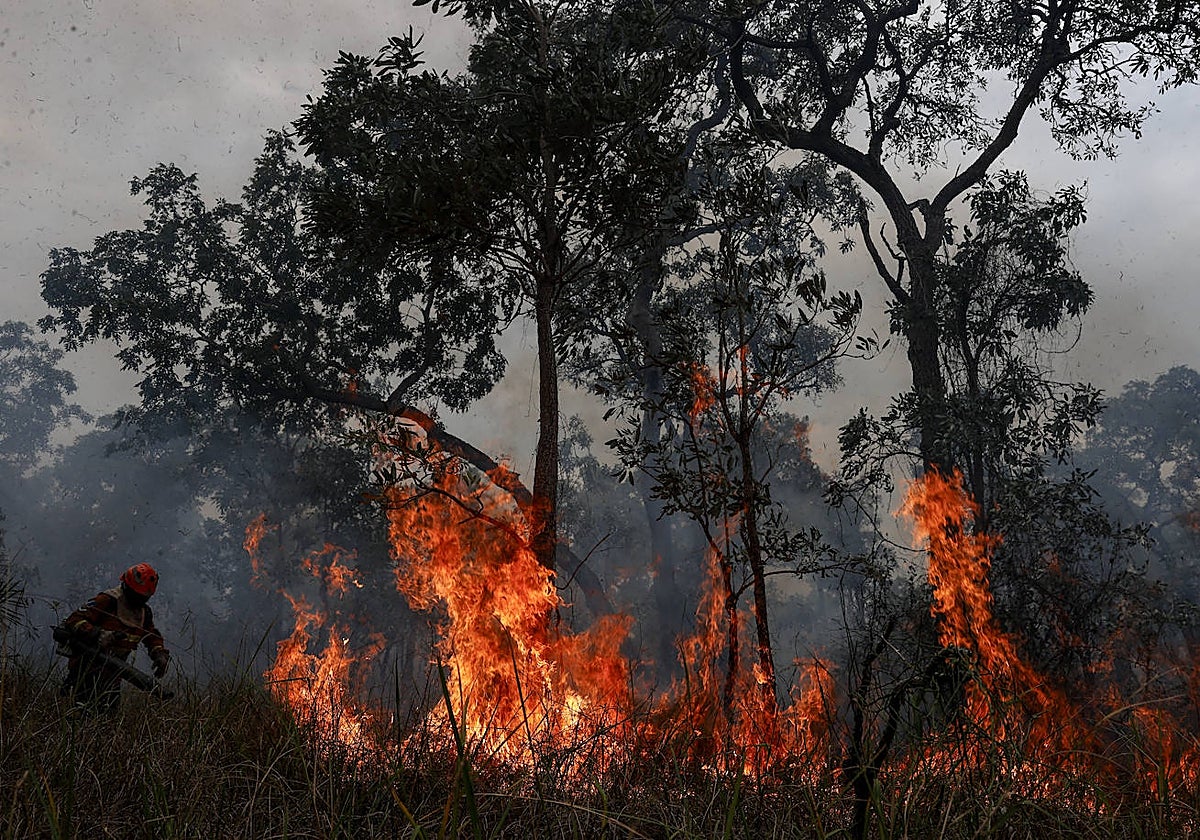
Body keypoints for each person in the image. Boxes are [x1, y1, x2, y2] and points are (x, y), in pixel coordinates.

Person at [60, 562, 171, 711]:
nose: (138, 601)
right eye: (136, 595)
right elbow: (74, 620)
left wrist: (159, 654)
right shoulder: (107, 601)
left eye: (143, 598)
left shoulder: (144, 613)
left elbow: (151, 636)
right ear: (126, 586)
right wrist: (97, 634)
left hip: (113, 674)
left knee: (109, 715)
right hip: (87, 669)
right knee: (84, 713)